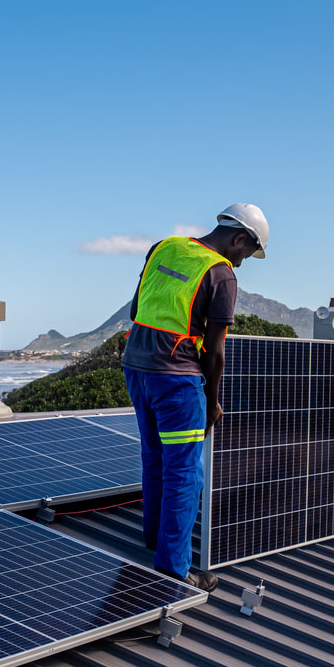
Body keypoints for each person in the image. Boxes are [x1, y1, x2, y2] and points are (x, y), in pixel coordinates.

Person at [121, 203, 269, 592]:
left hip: (136, 365)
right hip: (176, 380)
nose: (242, 262)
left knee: (154, 457)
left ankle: (153, 538)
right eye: (247, 254)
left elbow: (138, 308)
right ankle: (173, 568)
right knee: (185, 471)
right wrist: (213, 400)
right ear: (239, 239)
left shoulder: (164, 247)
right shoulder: (221, 274)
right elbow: (215, 352)